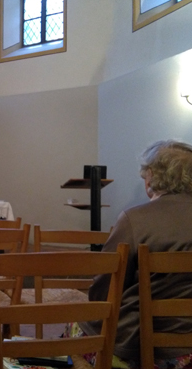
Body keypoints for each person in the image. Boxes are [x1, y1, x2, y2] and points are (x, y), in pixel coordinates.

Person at [67, 140, 192, 369]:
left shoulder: (135, 219)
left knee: (74, 327)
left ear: (151, 177)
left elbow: (105, 289)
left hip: (145, 346)